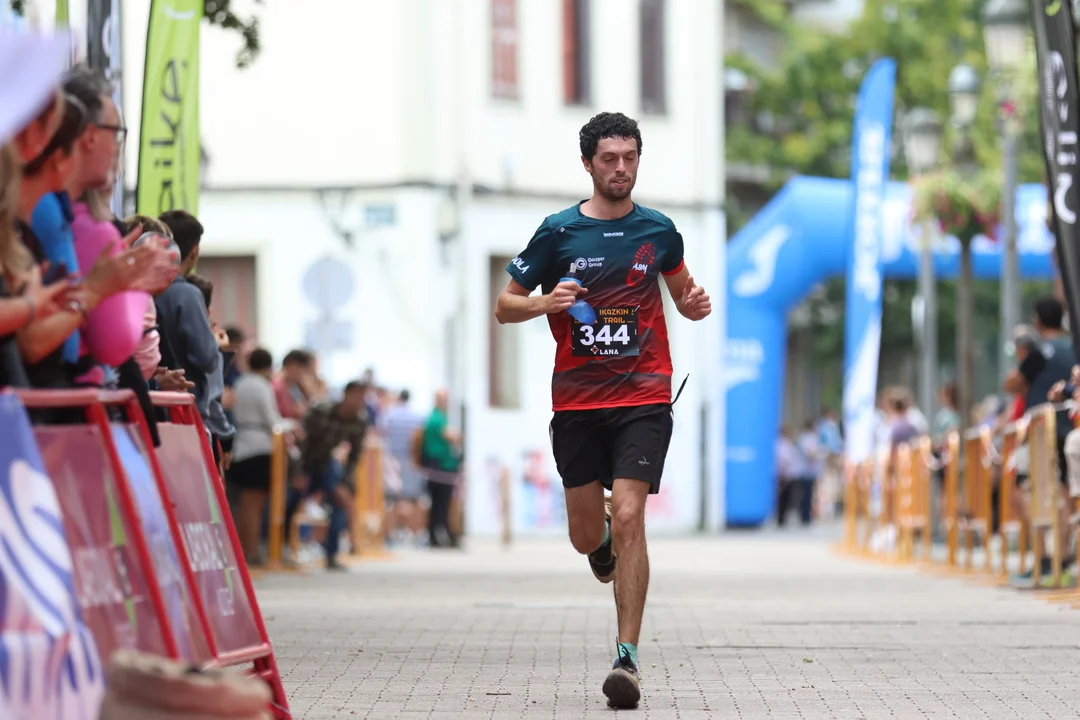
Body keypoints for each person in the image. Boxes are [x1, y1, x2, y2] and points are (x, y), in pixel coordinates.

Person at [493, 112, 711, 709]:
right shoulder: (558, 233)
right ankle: (602, 538)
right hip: (578, 402)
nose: (621, 168)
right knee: (585, 534)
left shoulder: (659, 231)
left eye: (630, 157)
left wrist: (693, 304)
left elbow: (682, 293)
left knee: (634, 513)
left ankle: (627, 659)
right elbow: (504, 306)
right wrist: (545, 302)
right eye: (609, 159)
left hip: (644, 395)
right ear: (588, 163)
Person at [300, 381, 368, 570]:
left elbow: (355, 456)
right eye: (357, 397)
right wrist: (298, 472)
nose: (359, 402)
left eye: (362, 398)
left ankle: (332, 554)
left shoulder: (359, 420)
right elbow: (301, 441)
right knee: (290, 500)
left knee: (340, 501)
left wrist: (345, 483)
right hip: (303, 462)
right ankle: (279, 547)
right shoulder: (320, 410)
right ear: (346, 395)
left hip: (327, 465)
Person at [228, 348, 281, 565]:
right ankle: (251, 551)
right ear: (268, 366)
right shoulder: (262, 386)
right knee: (255, 504)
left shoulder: (239, 383)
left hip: (240, 443)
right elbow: (272, 419)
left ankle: (241, 549)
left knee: (243, 504)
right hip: (260, 447)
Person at [419, 388, 462, 549]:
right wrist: (456, 436)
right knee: (442, 504)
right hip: (441, 466)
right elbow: (450, 436)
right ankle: (440, 535)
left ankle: (436, 535)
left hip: (439, 465)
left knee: (438, 504)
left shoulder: (436, 417)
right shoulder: (437, 418)